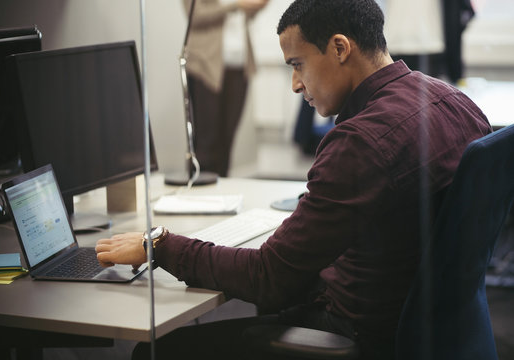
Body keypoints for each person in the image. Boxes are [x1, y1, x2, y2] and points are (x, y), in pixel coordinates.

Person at [96, 0, 491, 358]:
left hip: (363, 336)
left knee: (163, 351)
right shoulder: (455, 102)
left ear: (339, 48)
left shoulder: (359, 142)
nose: (296, 84)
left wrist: (161, 245)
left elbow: (268, 278)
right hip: (439, 327)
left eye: (297, 64)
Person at [182, 0, 269, 177]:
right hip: (206, 65)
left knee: (226, 140)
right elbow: (195, 16)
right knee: (206, 142)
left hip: (239, 65)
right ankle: (198, 192)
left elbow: (247, 16)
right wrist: (236, 5)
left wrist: (257, 6)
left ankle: (221, 194)